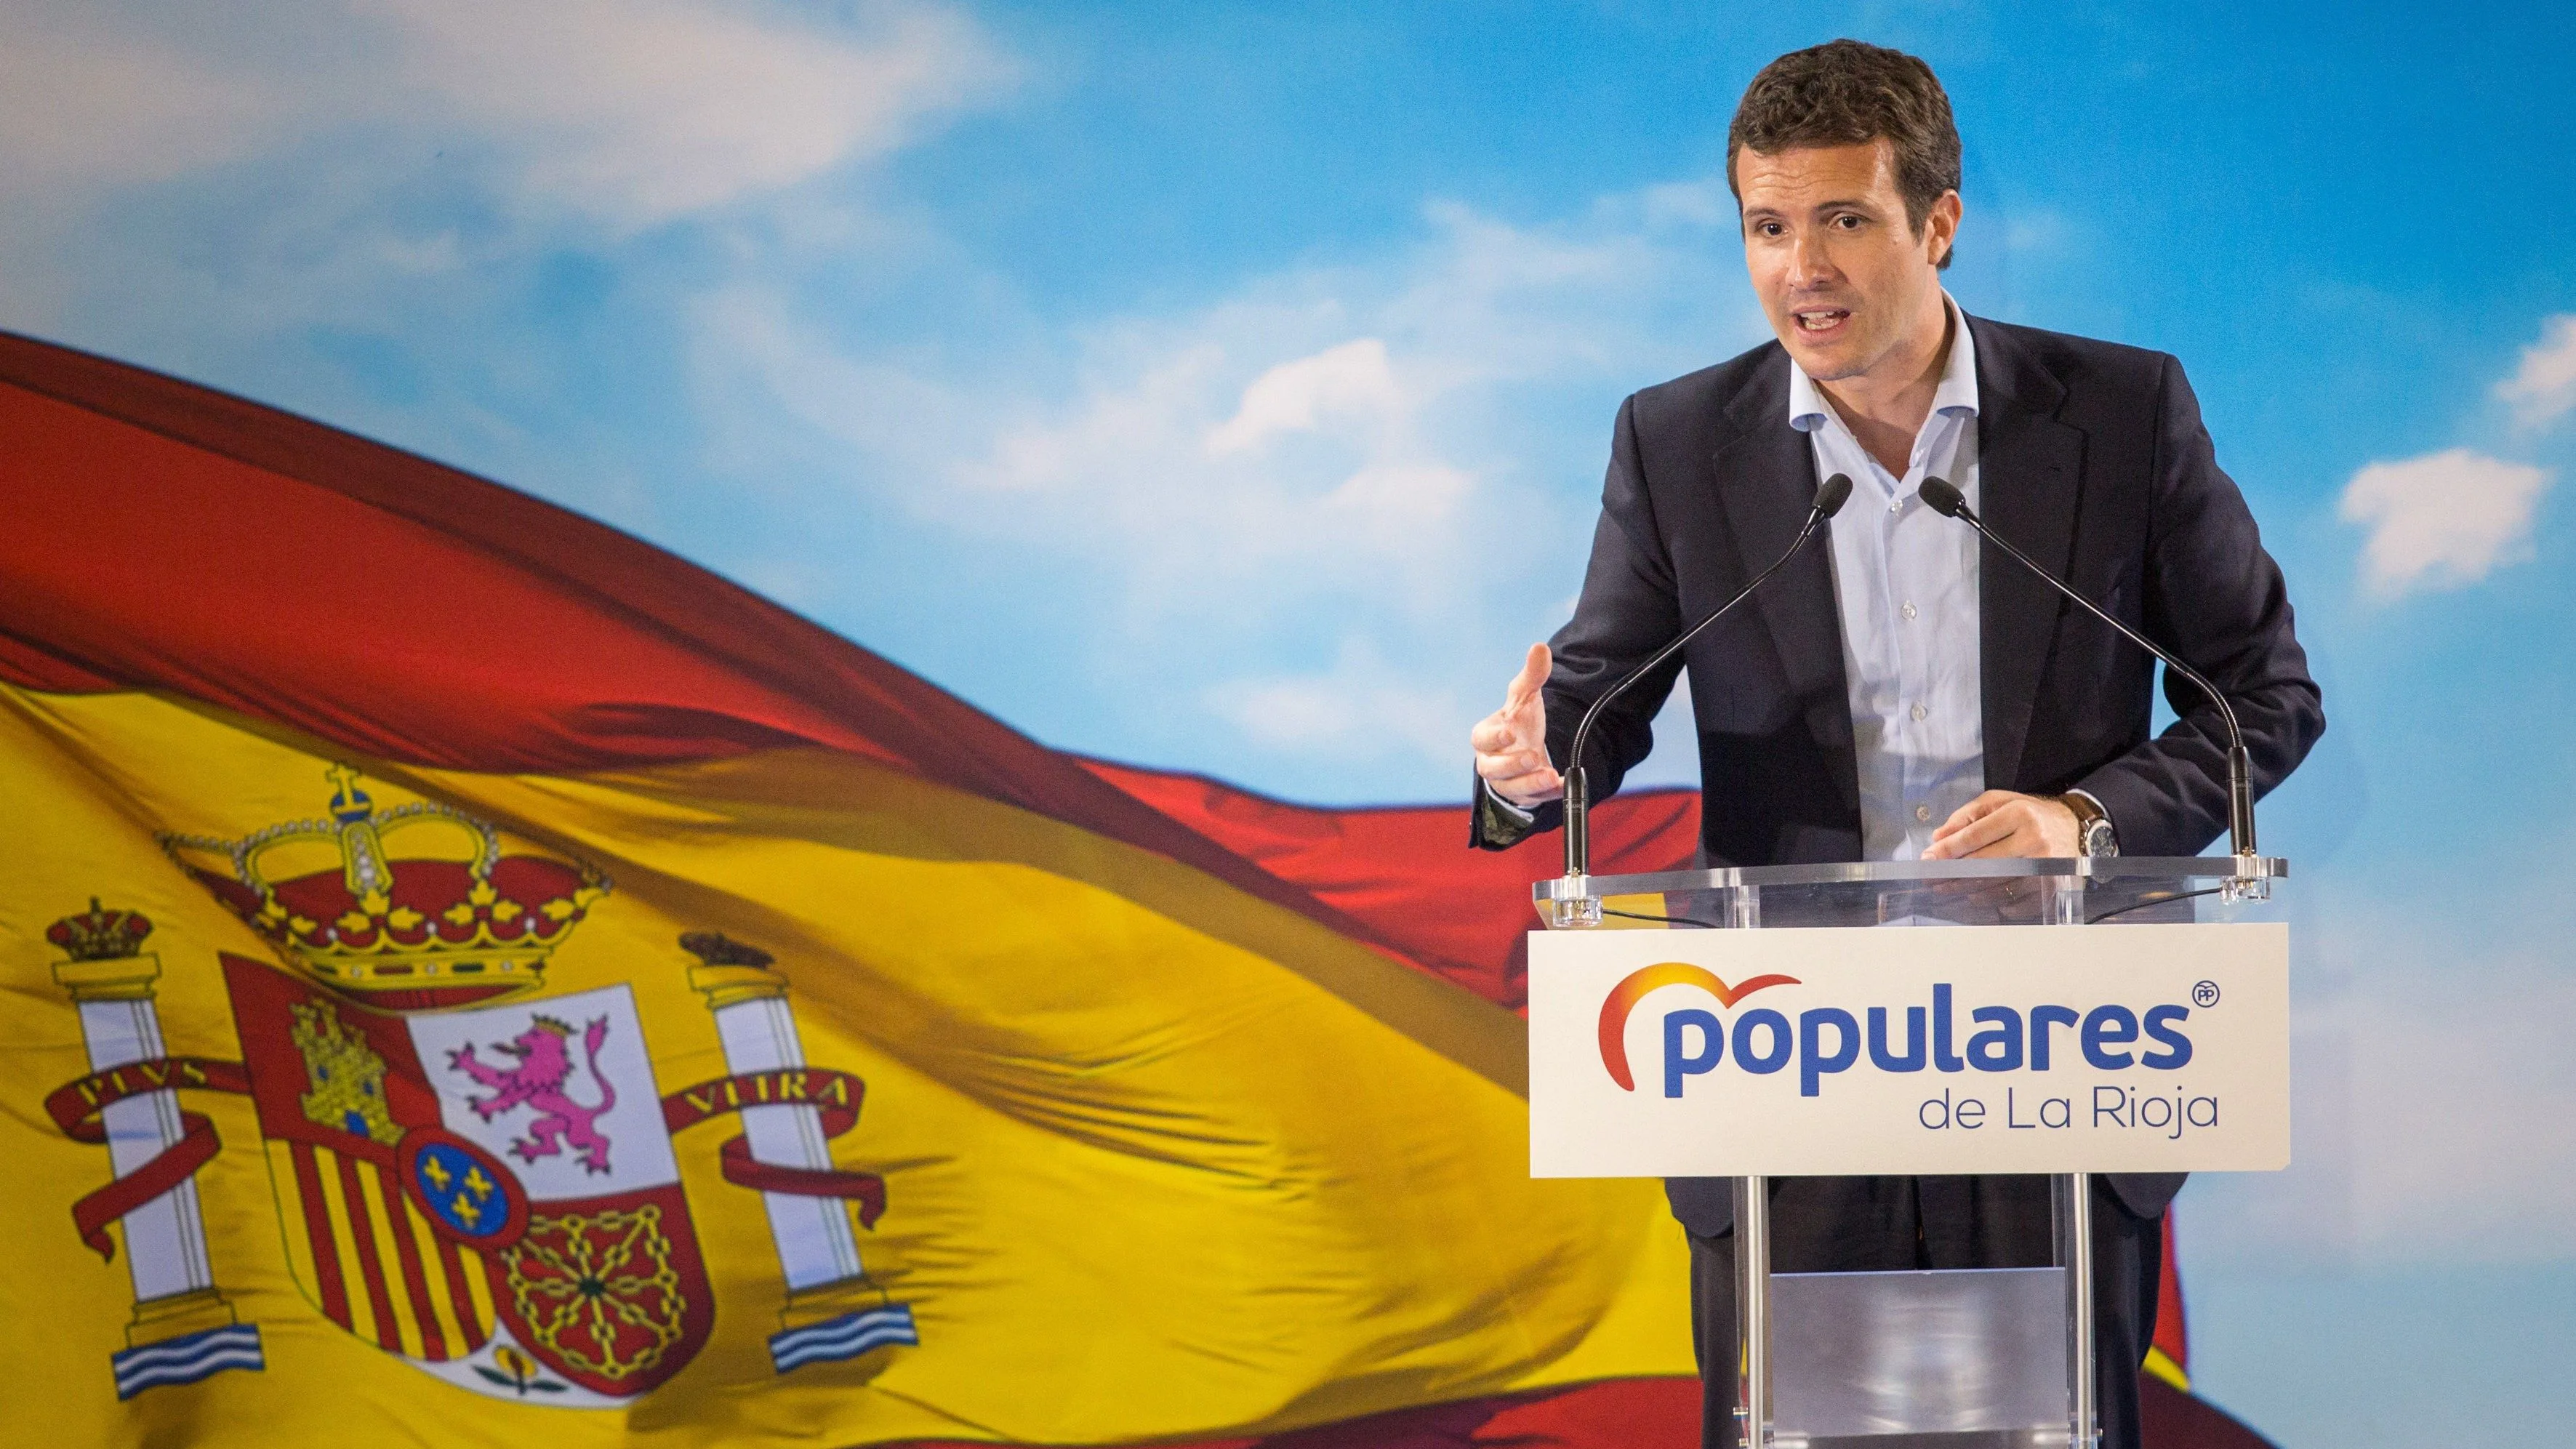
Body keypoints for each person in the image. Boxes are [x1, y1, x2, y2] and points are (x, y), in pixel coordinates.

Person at [1465, 38, 2324, 1449]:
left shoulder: (2118, 415)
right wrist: (1536, 758)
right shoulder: (1679, 442)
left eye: (1844, 220)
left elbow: (2258, 697)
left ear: (1938, 223)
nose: (1801, 266)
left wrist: (2083, 822)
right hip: (1783, 1078)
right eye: (1766, 225)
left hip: (2050, 1055)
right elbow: (1604, 695)